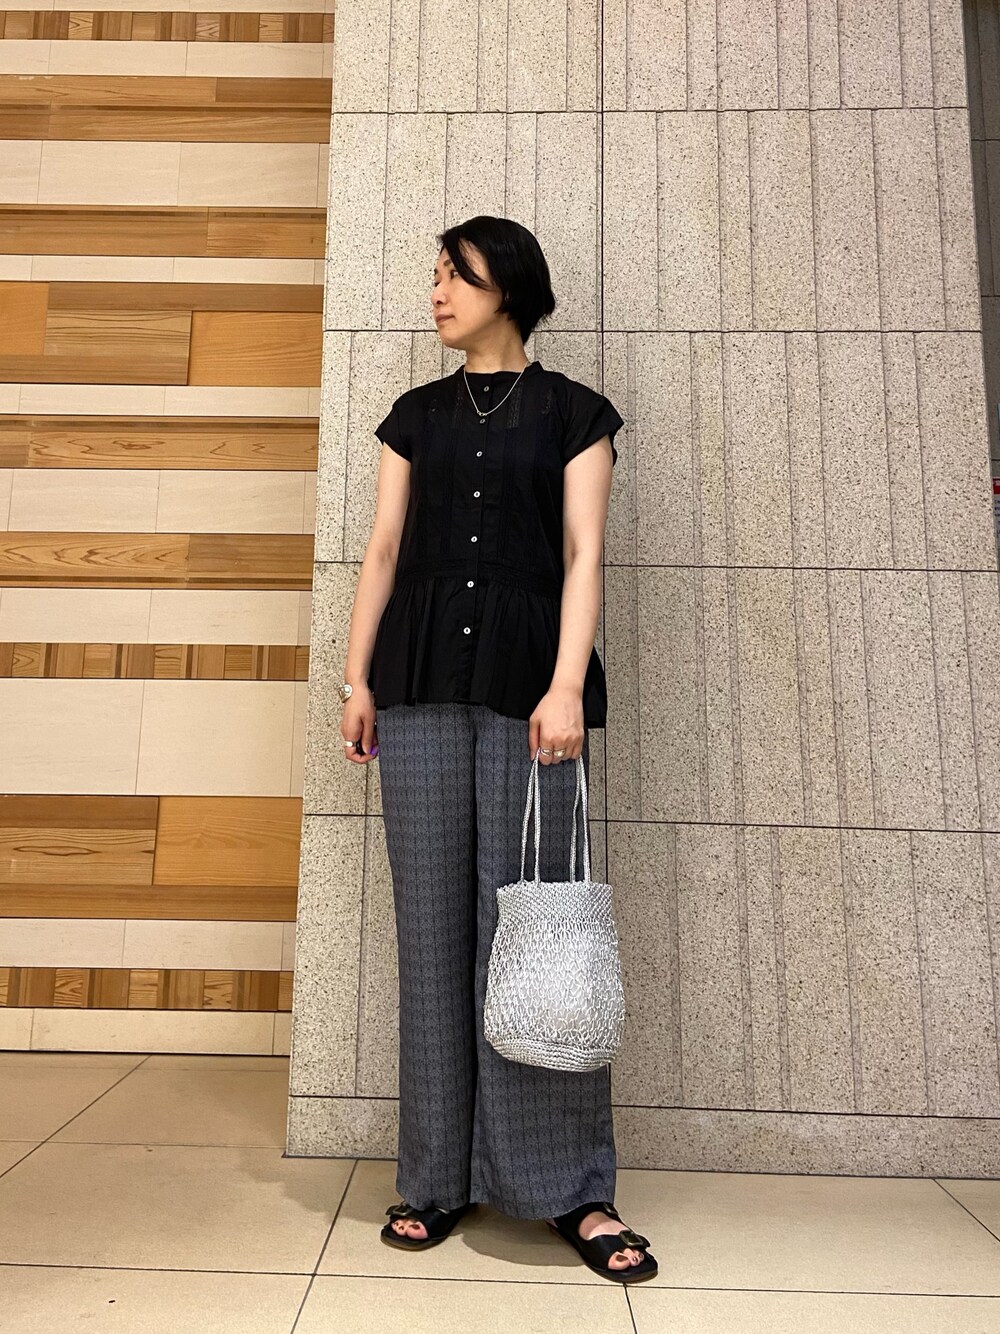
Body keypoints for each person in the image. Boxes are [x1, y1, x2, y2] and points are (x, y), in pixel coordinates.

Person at [335, 215, 657, 1284]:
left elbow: (582, 554)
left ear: (506, 287)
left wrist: (565, 686)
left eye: (455, 276)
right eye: (434, 275)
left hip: (532, 696)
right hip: (418, 685)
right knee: (431, 932)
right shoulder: (413, 417)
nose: (436, 293)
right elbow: (384, 549)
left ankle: (569, 1187)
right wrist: (356, 677)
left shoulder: (576, 413)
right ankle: (435, 1175)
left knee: (536, 930)